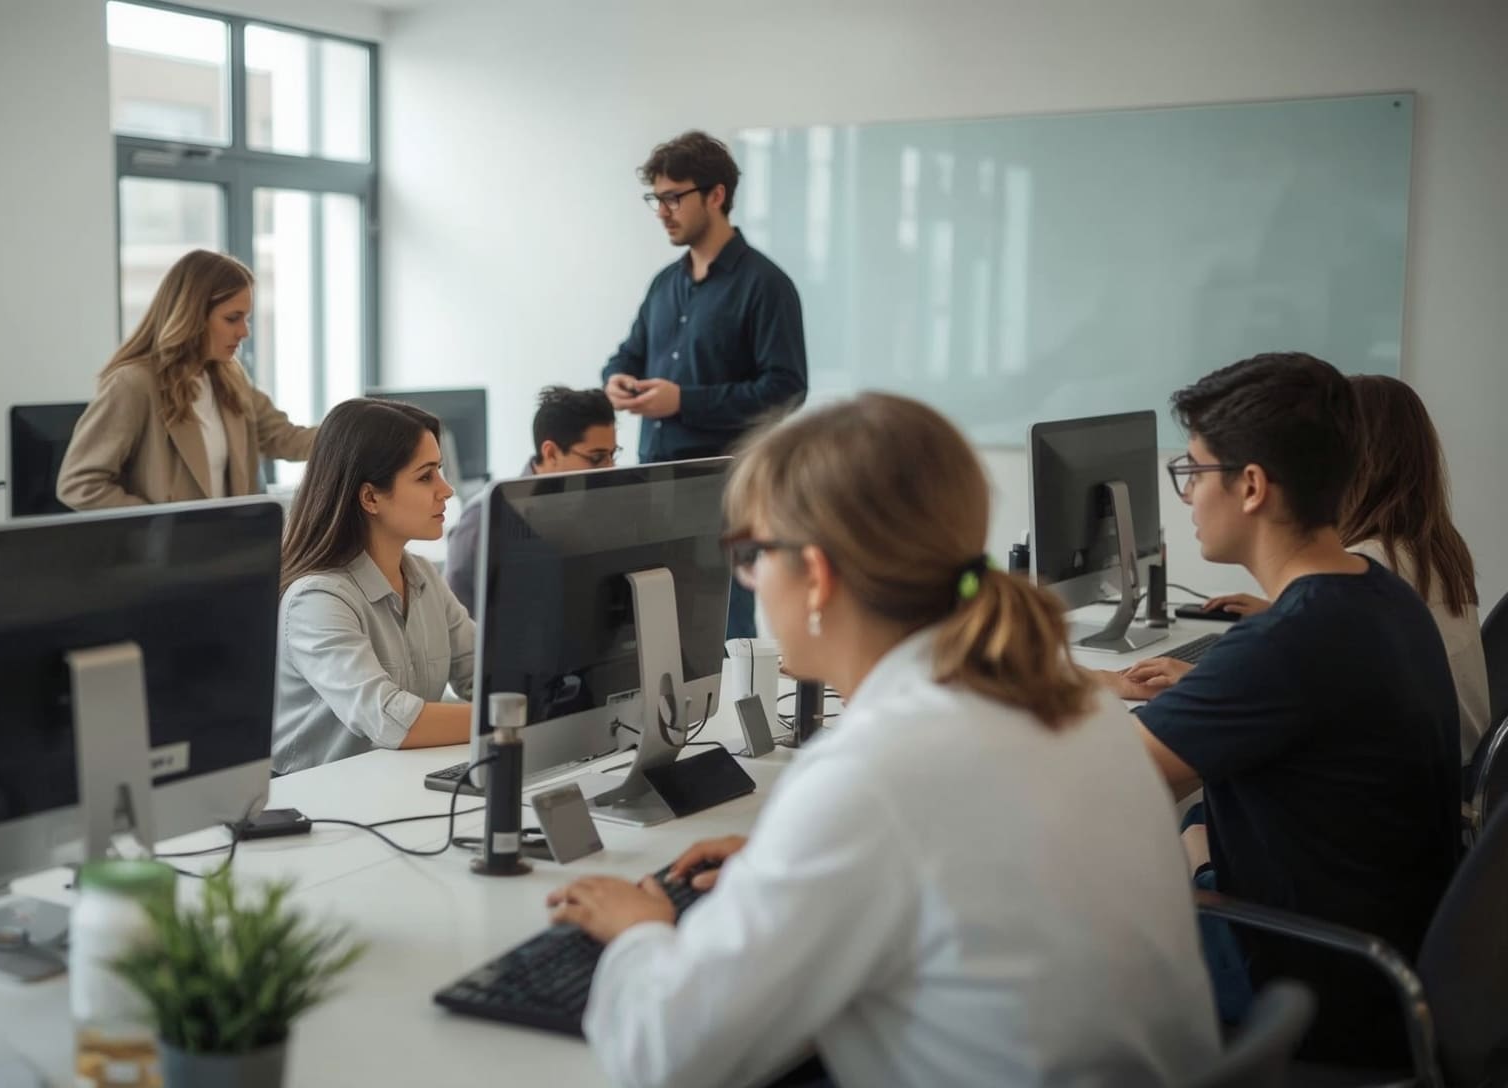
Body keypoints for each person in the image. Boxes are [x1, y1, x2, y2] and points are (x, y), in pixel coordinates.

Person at [546, 393, 1218, 1088]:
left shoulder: (873, 773)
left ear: (817, 576)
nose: (746, 578)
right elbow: (954, 858)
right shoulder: (1075, 701)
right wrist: (793, 860)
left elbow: (661, 1056)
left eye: (751, 553)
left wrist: (640, 931)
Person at [1098, 354, 1461, 1065]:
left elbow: (1103, 789)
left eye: (1193, 473)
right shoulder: (1380, 596)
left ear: (1253, 486)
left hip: (1309, 992)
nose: (1187, 496)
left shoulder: (1288, 643)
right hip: (1378, 962)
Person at [1188, 374, 1487, 757]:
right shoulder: (1431, 547)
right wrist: (1284, 611)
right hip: (1449, 765)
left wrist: (1199, 679)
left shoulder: (1370, 566)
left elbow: (1307, 682)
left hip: (1408, 766)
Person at [601, 130, 807, 638]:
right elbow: (626, 354)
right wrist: (616, 380)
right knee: (650, 629)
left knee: (722, 629)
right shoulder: (665, 284)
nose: (662, 211)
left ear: (716, 195)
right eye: (656, 198)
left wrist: (682, 401)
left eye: (674, 197)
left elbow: (785, 390)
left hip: (725, 489)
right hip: (654, 482)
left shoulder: (766, 285)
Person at [271, 399, 476, 775]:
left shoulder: (424, 578)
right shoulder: (315, 600)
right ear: (369, 497)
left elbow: (483, 675)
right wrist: (506, 716)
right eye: (426, 476)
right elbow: (390, 719)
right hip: (314, 807)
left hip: (393, 784)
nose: (446, 490)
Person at [57, 250, 315, 508]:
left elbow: (285, 437)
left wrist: (350, 435)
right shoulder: (134, 383)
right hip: (170, 547)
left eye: (245, 319)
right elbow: (80, 483)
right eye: (232, 318)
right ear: (192, 315)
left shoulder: (231, 377)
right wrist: (160, 526)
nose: (244, 331)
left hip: (231, 543)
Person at [444, 385, 619, 614]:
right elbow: (457, 618)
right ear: (551, 453)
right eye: (597, 458)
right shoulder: (485, 517)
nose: (611, 468)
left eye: (613, 455)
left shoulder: (605, 507)